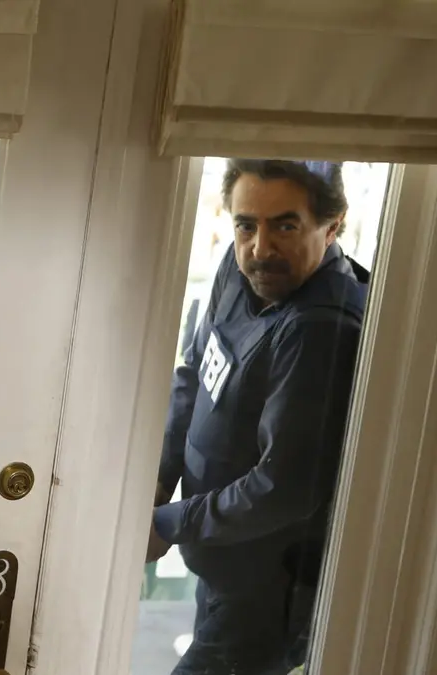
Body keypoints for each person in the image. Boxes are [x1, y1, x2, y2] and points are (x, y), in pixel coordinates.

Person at [147, 159, 370, 674]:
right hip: (222, 565)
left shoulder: (320, 329)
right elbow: (194, 372)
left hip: (264, 599)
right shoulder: (241, 266)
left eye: (285, 227)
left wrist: (168, 523)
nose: (260, 248)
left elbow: (283, 487)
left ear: (331, 225)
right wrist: (161, 478)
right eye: (246, 225)